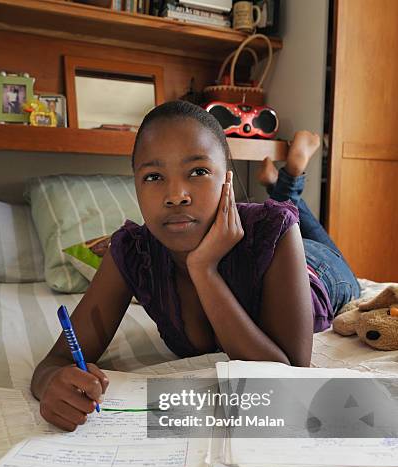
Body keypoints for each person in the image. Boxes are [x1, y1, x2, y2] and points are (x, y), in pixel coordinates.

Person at [31, 100, 360, 431]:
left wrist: (204, 269)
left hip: (319, 273)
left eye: (198, 172)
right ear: (136, 186)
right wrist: (53, 382)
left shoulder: (273, 229)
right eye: (154, 176)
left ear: (226, 181)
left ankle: (289, 184)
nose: (176, 195)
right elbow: (53, 363)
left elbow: (288, 374)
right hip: (283, 253)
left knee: (311, 234)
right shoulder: (132, 251)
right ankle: (285, 181)